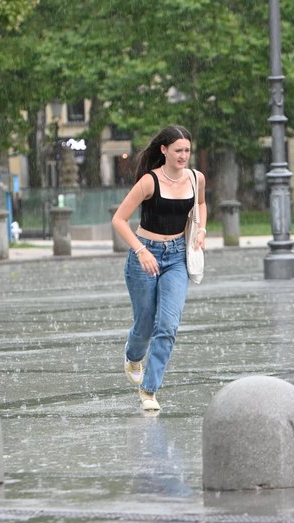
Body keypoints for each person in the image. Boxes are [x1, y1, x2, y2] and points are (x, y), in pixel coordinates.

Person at [111, 125, 207, 412]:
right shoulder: (149, 182)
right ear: (163, 150)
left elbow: (200, 203)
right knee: (145, 324)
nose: (183, 156)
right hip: (145, 254)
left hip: (177, 257)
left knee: (167, 326)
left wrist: (201, 230)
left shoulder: (195, 178)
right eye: (178, 150)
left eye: (187, 150)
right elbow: (118, 220)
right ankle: (133, 356)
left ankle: (149, 390)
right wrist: (140, 251)